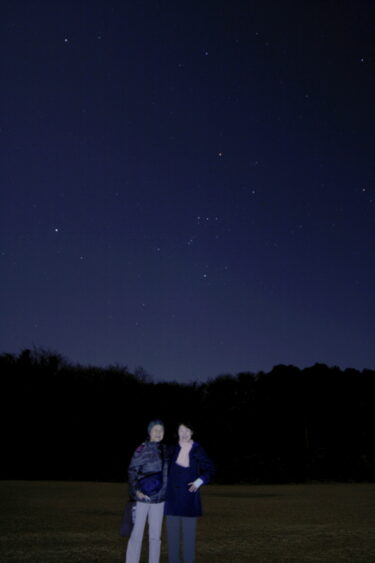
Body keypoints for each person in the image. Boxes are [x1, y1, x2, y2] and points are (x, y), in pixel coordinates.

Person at [164, 422, 215, 563]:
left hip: (189, 499)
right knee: (172, 540)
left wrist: (199, 481)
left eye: (188, 430)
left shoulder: (197, 449)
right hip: (172, 500)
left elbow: (210, 469)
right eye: (182, 430)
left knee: (188, 539)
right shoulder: (171, 449)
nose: (185, 433)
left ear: (192, 432)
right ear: (177, 432)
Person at [126, 419, 168, 563]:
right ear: (149, 432)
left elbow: (168, 474)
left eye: (161, 430)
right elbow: (132, 471)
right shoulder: (142, 448)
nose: (158, 432)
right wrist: (136, 491)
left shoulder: (165, 450)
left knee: (156, 537)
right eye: (155, 429)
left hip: (160, 499)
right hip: (142, 498)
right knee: (137, 534)